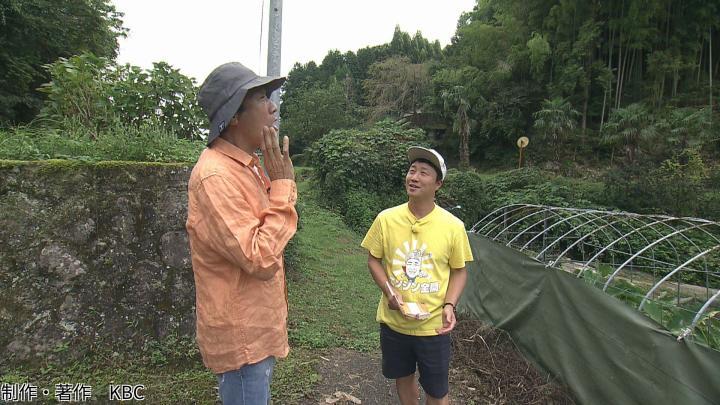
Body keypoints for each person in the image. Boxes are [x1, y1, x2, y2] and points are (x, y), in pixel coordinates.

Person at [186, 62, 297, 405]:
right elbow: (260, 256)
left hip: (256, 329)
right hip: (243, 340)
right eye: (262, 98)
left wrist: (278, 184)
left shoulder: (245, 165)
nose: (273, 106)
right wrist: (281, 187)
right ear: (234, 116)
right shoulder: (216, 176)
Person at [360, 147, 473, 405]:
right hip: (394, 322)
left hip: (433, 327)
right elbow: (373, 260)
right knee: (403, 377)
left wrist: (449, 305)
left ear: (438, 184)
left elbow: (459, 271)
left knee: (436, 389)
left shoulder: (453, 226)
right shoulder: (386, 219)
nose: (414, 177)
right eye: (412, 171)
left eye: (424, 173)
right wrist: (389, 291)